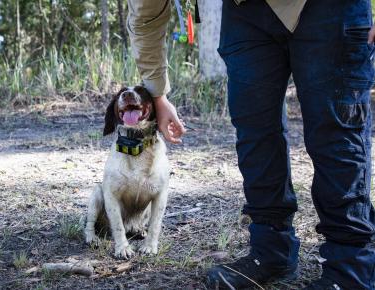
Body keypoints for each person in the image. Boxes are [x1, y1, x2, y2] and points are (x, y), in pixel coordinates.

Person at [127, 0, 375, 289]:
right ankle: (270, 250)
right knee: (255, 131)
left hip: (329, 8)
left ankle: (350, 268)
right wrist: (157, 93)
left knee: (335, 135)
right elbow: (146, 10)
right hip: (246, 12)